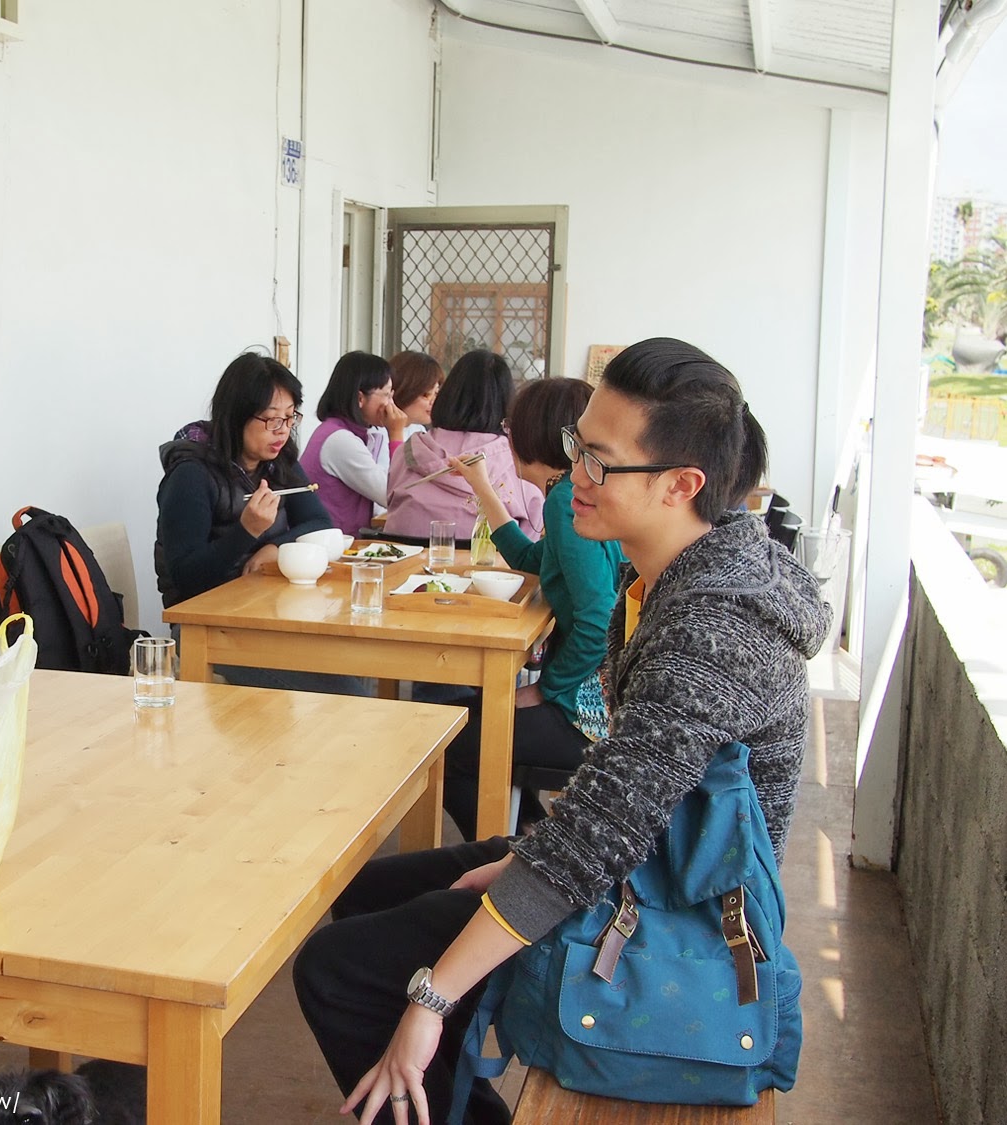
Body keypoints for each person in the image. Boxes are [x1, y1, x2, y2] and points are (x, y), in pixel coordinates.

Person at [293, 337, 831, 1123]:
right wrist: (518, 861)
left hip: (677, 917)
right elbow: (618, 807)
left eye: (599, 461)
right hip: (647, 863)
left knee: (337, 968)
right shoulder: (678, 569)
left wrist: (432, 996)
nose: (572, 472)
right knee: (370, 890)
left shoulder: (714, 630)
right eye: (579, 445)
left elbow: (598, 837)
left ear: (681, 484)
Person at [434, 377, 623, 838]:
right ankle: (532, 843)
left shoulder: (565, 503)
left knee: (442, 743)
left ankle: (521, 854)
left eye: (510, 427)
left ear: (533, 433)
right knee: (453, 718)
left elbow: (599, 620)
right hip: (595, 699)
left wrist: (547, 690)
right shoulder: (567, 496)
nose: (508, 437)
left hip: (590, 714)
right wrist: (482, 485)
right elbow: (531, 560)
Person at [155, 352, 367, 695]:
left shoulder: (278, 463)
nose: (282, 431)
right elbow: (186, 579)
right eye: (271, 420)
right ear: (237, 415)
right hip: (208, 628)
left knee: (357, 663)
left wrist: (273, 547)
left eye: (290, 417)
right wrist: (247, 531)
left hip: (268, 613)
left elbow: (319, 522)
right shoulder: (191, 475)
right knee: (349, 696)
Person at [383, 350, 543, 542]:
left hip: (404, 558)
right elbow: (531, 533)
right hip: (486, 560)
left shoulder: (408, 450)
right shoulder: (517, 459)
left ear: (447, 395)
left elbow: (390, 502)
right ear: (507, 402)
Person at [299, 351, 409, 535]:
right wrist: (396, 434)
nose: (391, 404)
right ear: (360, 398)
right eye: (386, 395)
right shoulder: (340, 441)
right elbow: (394, 496)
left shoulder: (344, 432)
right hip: (329, 544)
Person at [389, 351, 444, 439]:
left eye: (436, 393)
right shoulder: (376, 434)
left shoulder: (418, 431)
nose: (434, 402)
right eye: (426, 395)